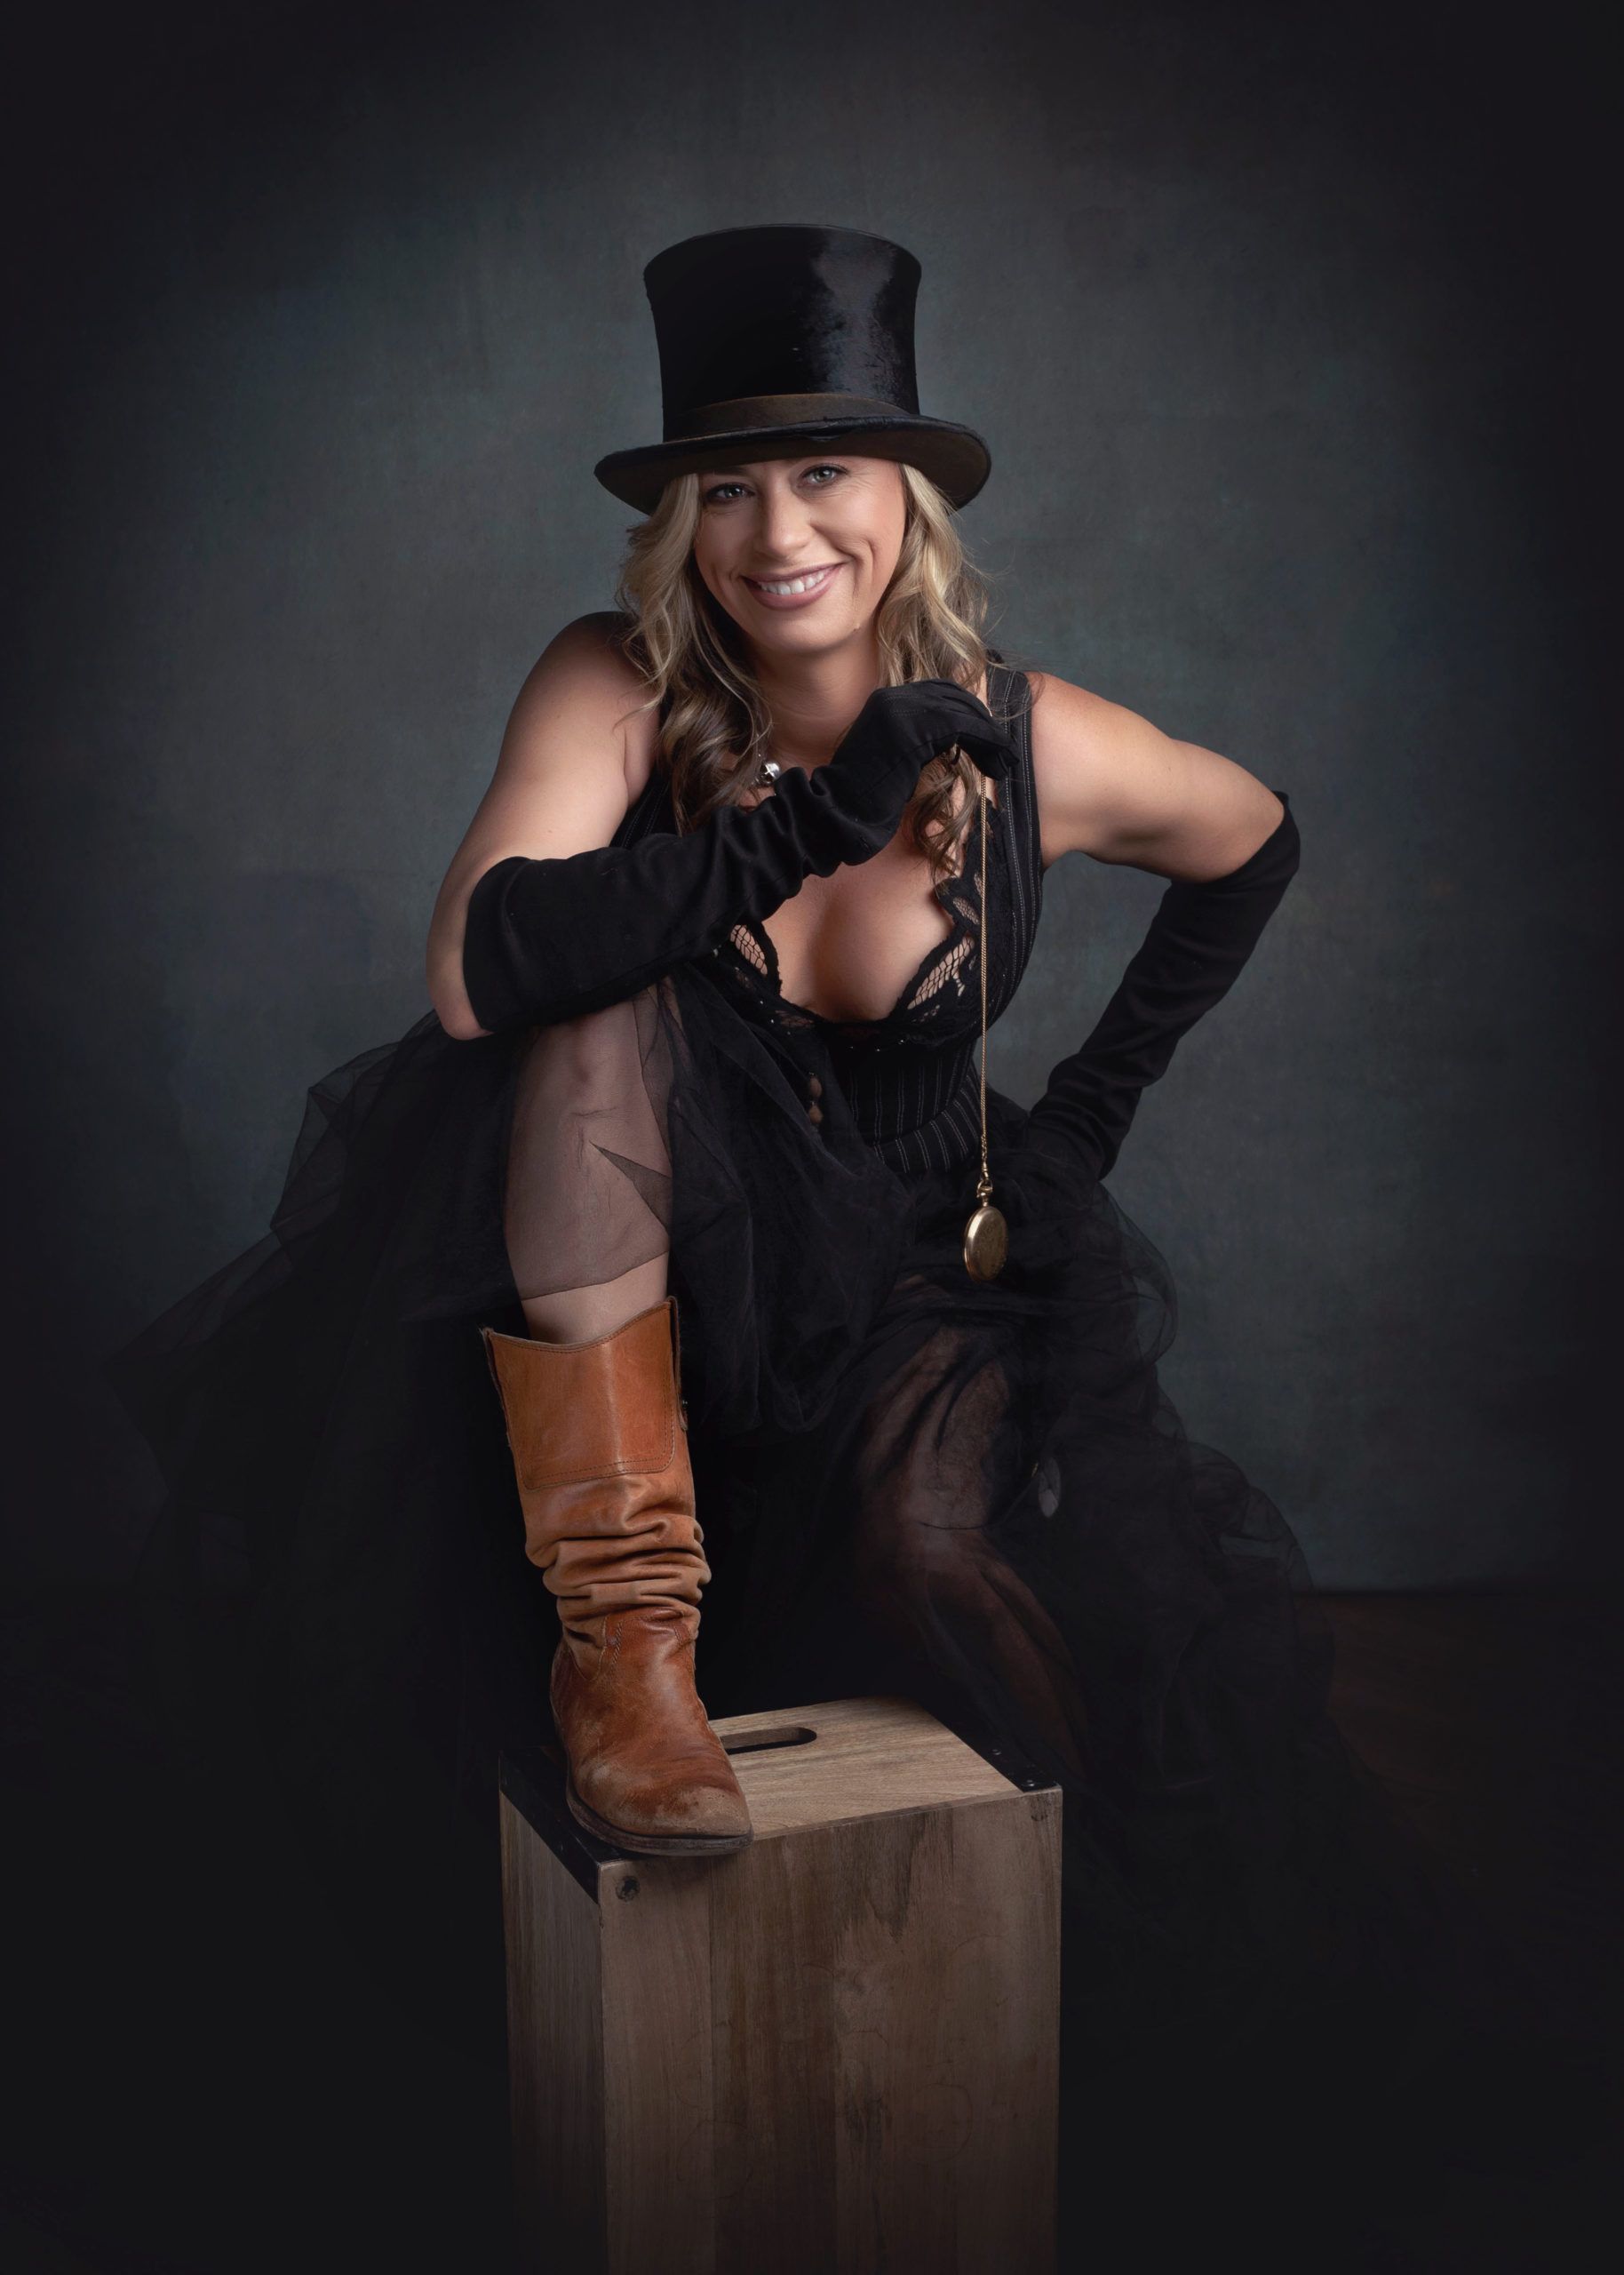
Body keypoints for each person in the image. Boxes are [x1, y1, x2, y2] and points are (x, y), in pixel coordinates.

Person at [110, 224, 1453, 2247]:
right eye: (725, 487)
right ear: (679, 524)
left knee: (930, 1559)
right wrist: (811, 823)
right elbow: (476, 971)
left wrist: (1086, 1114)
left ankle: (1085, 1955)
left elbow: (1250, 840)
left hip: (913, 1264)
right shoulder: (616, 679)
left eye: (824, 472)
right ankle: (625, 1637)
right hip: (623, 1270)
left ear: (904, 496)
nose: (777, 531)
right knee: (588, 1011)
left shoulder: (1030, 738)